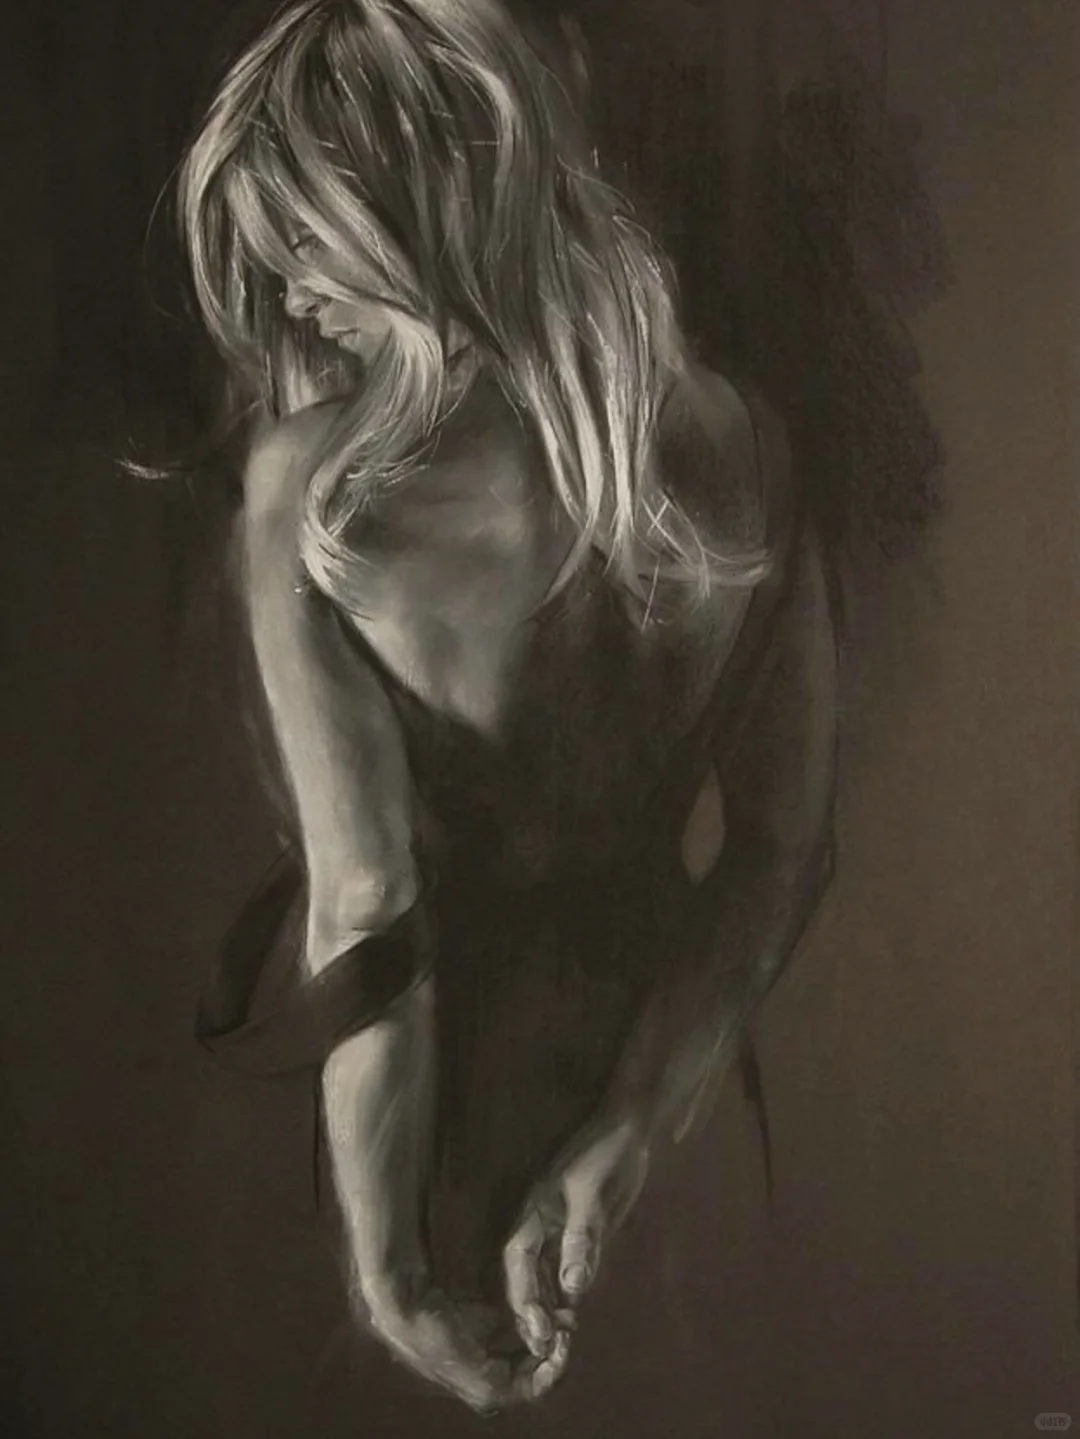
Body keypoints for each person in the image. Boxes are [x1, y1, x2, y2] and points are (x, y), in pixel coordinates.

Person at [179, 0, 837, 1413]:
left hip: (440, 1138)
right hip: (682, 1113)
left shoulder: (313, 496)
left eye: (308, 238)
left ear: (425, 209)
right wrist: (630, 1125)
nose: (285, 287)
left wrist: (393, 1276)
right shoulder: (746, 452)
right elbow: (784, 851)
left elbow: (369, 912)